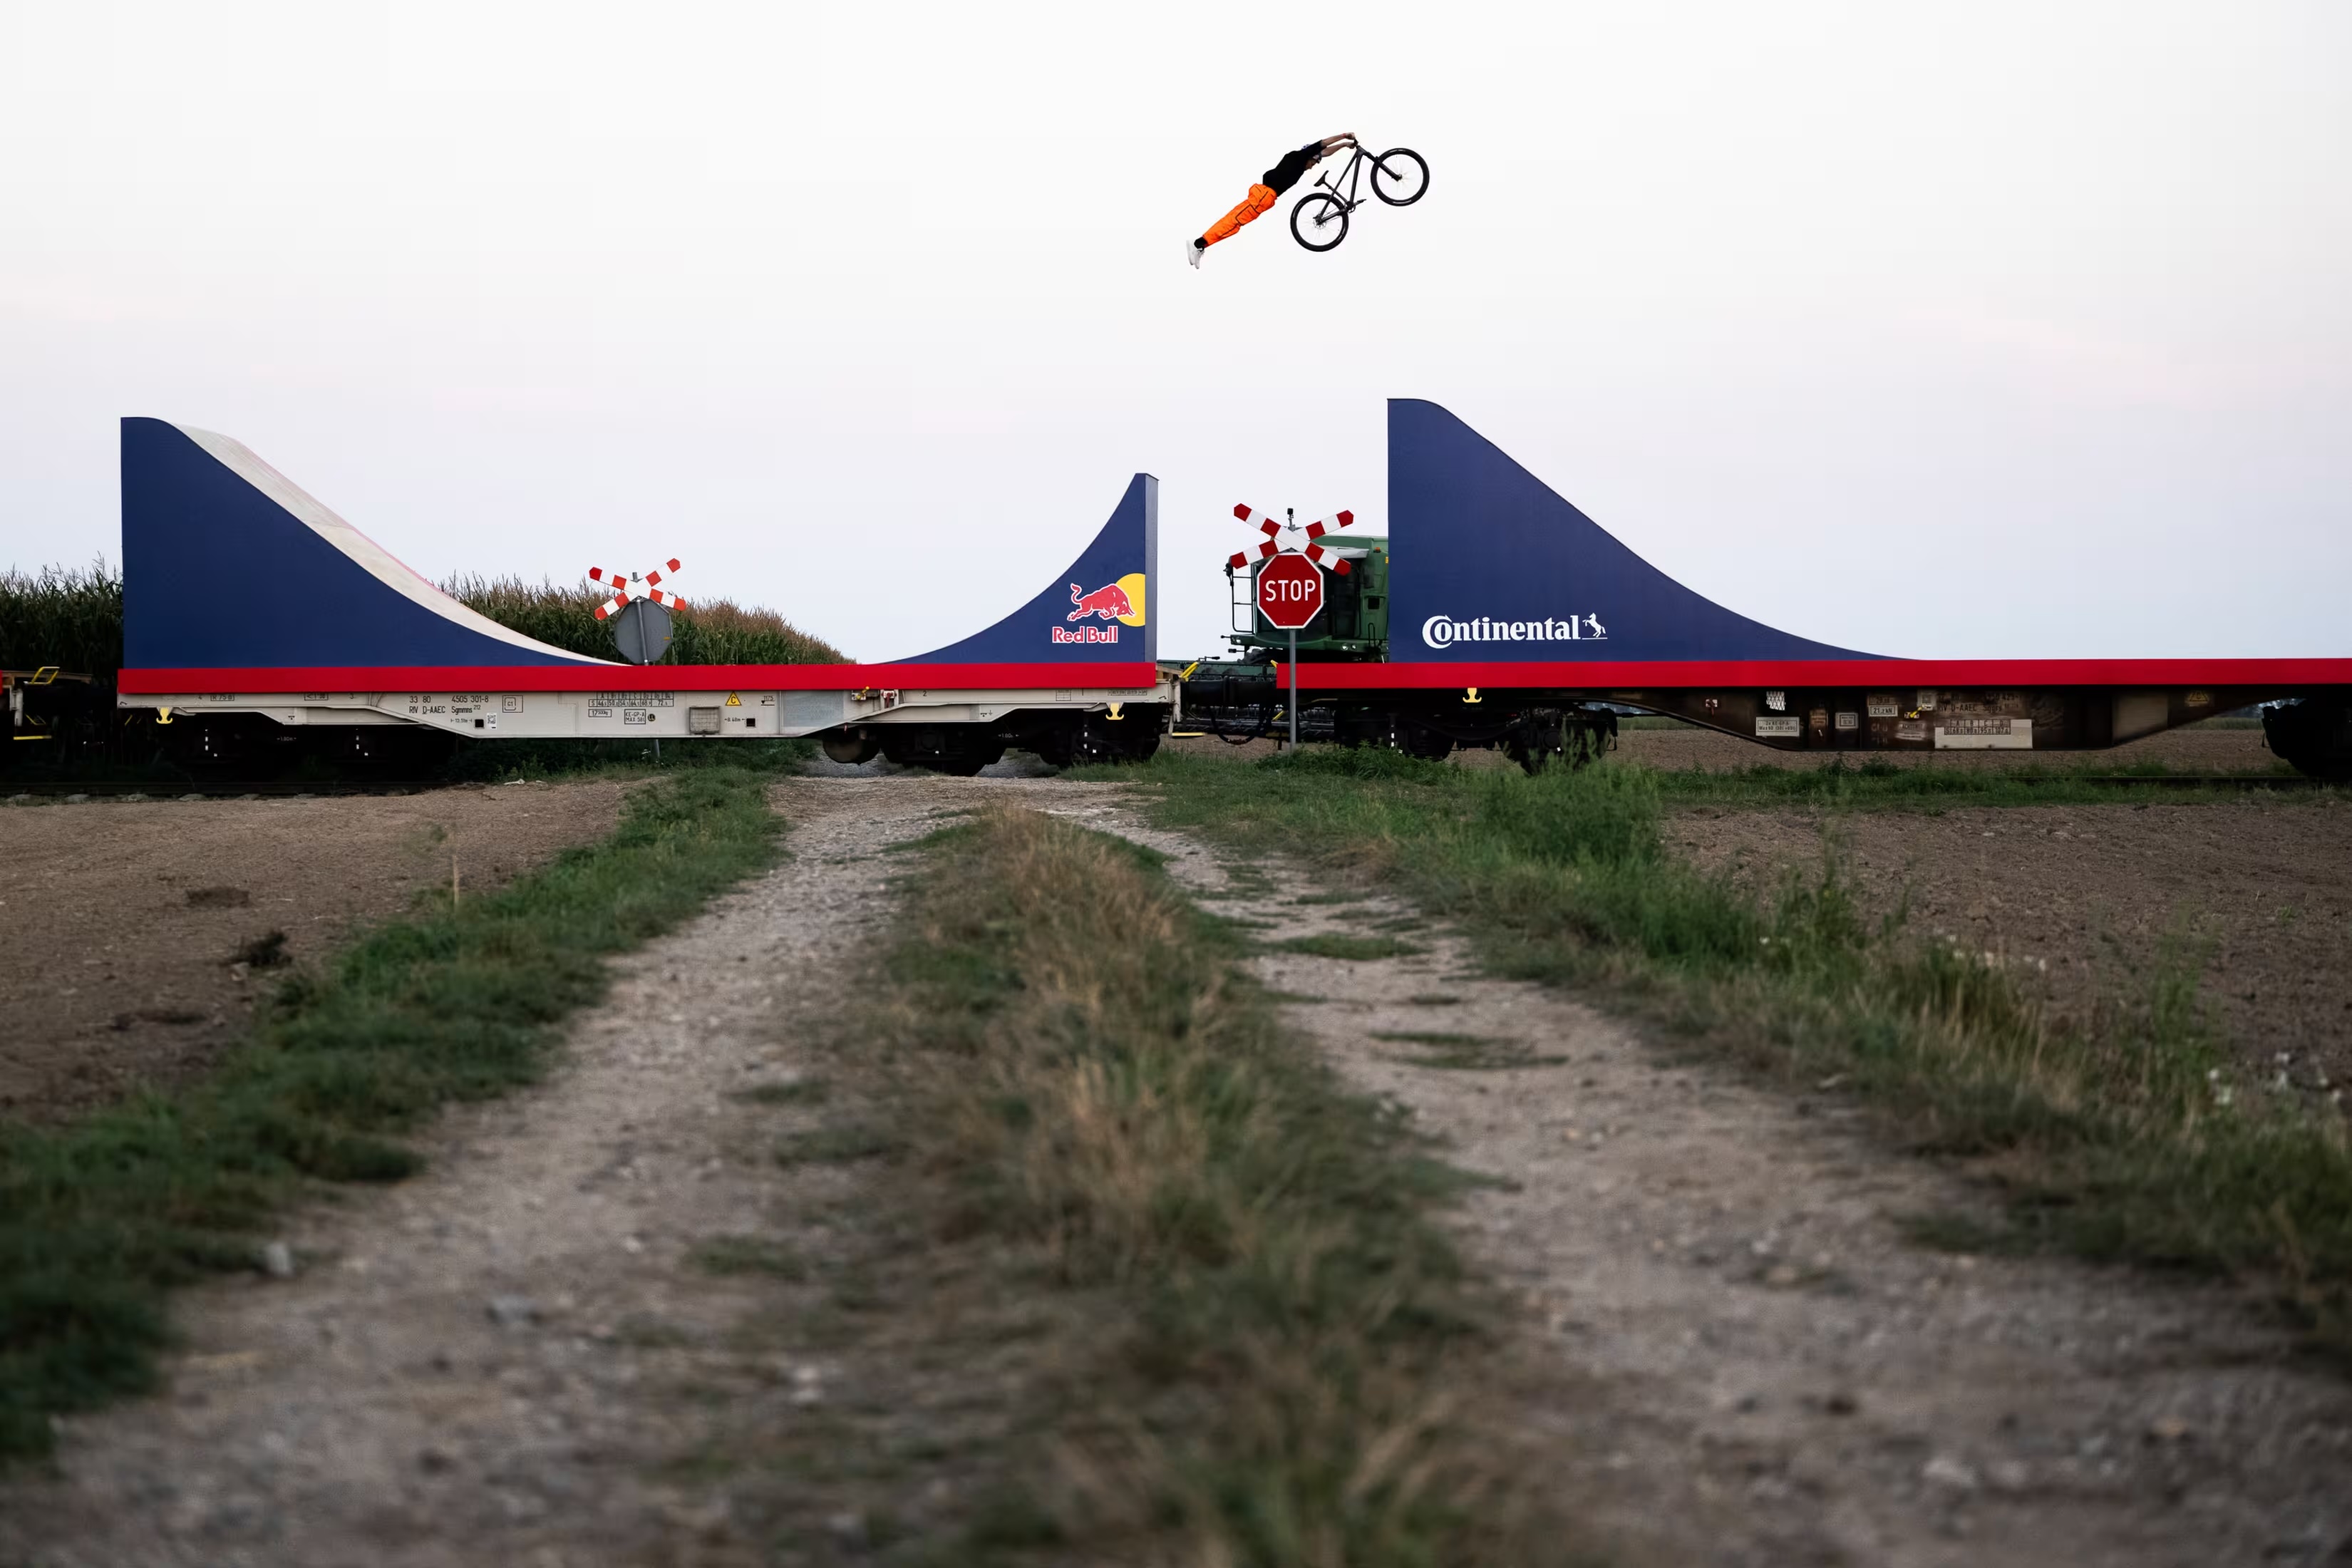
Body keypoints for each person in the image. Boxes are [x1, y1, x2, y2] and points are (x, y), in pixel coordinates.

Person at [1187, 134, 1358, 267]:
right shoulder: (1299, 157)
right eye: (1315, 162)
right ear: (1310, 156)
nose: (1314, 166)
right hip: (1264, 195)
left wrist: (1344, 146)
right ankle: (1199, 244)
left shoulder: (1299, 163)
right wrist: (1343, 136)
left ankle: (1202, 245)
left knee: (1234, 224)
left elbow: (1323, 152)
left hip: (1264, 198)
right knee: (1233, 222)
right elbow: (1322, 145)